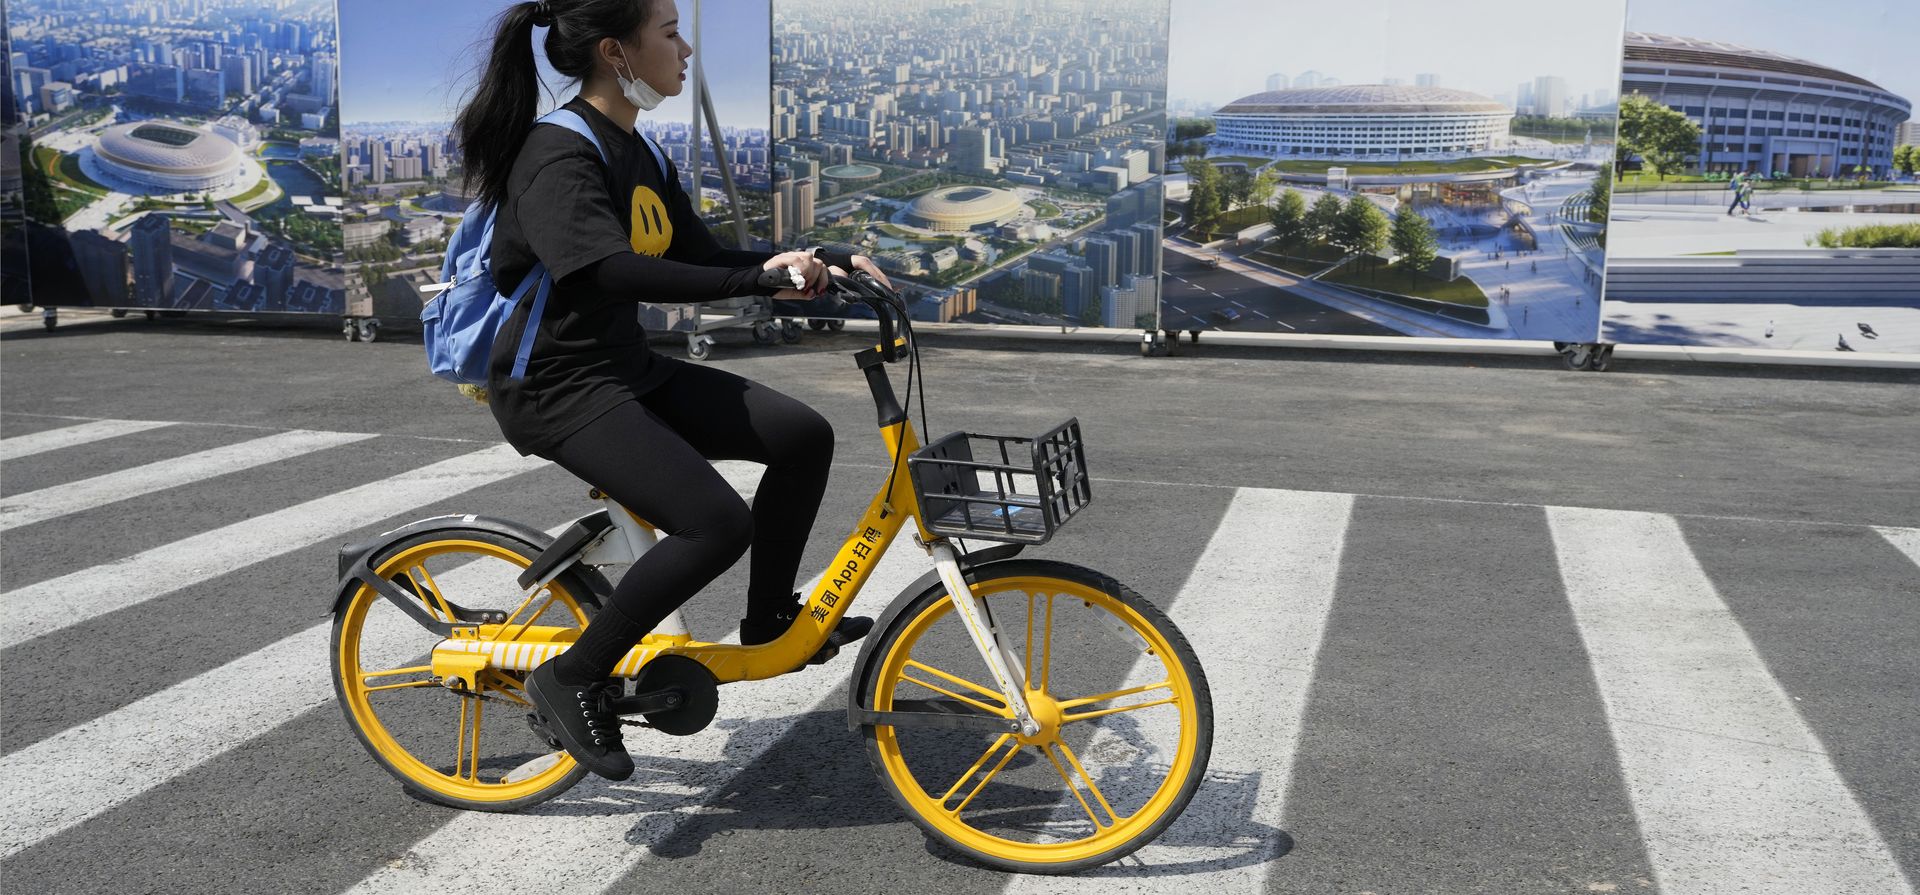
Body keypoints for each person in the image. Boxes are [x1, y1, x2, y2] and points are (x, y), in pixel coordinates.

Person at [454, 0, 885, 780]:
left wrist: (817, 256)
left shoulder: (637, 150)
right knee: (713, 523)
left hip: (624, 368)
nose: (685, 50)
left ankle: (768, 619)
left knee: (801, 435)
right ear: (617, 52)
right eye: (670, 33)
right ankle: (574, 674)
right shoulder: (557, 153)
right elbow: (604, 269)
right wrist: (752, 280)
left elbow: (698, 250)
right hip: (557, 386)